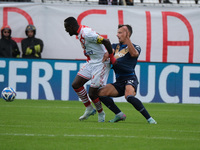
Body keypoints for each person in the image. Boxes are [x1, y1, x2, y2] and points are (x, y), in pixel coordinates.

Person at [98, 24, 157, 124]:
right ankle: (119, 114)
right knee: (100, 93)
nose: (117, 35)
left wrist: (128, 39)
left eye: (120, 32)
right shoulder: (114, 46)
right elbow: (109, 53)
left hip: (130, 78)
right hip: (119, 81)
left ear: (127, 34)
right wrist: (107, 54)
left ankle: (149, 119)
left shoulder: (135, 47)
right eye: (117, 32)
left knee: (129, 96)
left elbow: (134, 54)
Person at [64, 17, 116, 122]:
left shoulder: (86, 34)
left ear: (71, 27)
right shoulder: (81, 33)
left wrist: (112, 57)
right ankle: (89, 108)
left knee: (92, 93)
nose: (66, 30)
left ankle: (101, 113)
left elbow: (106, 41)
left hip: (101, 63)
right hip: (91, 62)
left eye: (66, 28)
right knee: (76, 84)